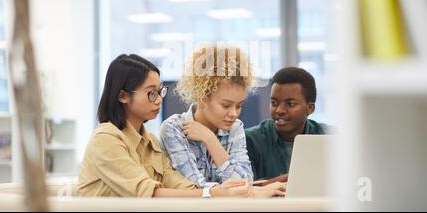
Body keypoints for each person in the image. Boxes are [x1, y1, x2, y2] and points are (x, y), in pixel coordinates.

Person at [78, 54, 282, 198]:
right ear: (123, 95)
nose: (158, 100)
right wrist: (214, 193)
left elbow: (179, 183)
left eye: (160, 92)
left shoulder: (150, 141)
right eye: (151, 93)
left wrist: (236, 192)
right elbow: (149, 193)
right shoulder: (106, 138)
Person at [161, 44, 285, 197]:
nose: (234, 114)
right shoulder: (174, 129)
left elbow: (245, 180)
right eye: (226, 105)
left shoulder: (235, 127)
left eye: (239, 105)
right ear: (203, 97)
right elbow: (193, 189)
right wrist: (244, 191)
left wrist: (210, 139)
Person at [245, 67, 329, 184]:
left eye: (290, 104)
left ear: (310, 108)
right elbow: (245, 190)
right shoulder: (250, 140)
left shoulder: (328, 136)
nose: (280, 110)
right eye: (274, 103)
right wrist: (297, 178)